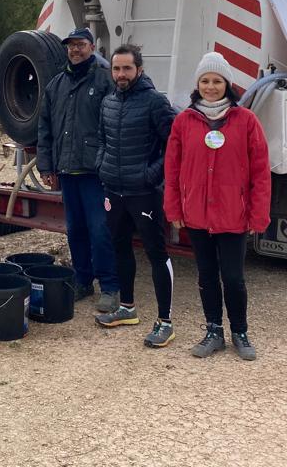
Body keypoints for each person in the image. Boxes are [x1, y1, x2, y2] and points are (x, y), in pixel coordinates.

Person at [164, 51, 271, 361]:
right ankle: (213, 331)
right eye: (205, 81)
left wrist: (258, 214)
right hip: (196, 214)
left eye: (217, 81)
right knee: (206, 275)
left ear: (228, 84)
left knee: (234, 277)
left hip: (233, 215)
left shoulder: (246, 120)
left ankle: (240, 331)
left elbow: (261, 172)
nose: (211, 86)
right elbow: (172, 169)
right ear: (198, 84)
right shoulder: (184, 121)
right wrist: (174, 210)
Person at [94, 45, 178, 347]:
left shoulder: (156, 102)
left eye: (127, 69)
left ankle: (165, 321)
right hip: (113, 190)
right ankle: (127, 308)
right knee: (120, 249)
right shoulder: (108, 102)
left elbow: (173, 144)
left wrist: (151, 175)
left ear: (139, 70)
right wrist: (102, 166)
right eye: (116, 69)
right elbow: (102, 139)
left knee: (157, 254)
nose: (121, 74)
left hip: (144, 193)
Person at [37, 27, 120, 313]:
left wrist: (110, 163)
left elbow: (115, 125)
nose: (75, 50)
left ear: (92, 46)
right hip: (67, 171)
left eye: (80, 45)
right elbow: (44, 128)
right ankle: (83, 281)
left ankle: (110, 287)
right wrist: (46, 165)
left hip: (95, 173)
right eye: (71, 46)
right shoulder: (56, 84)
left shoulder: (106, 79)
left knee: (100, 230)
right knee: (75, 230)